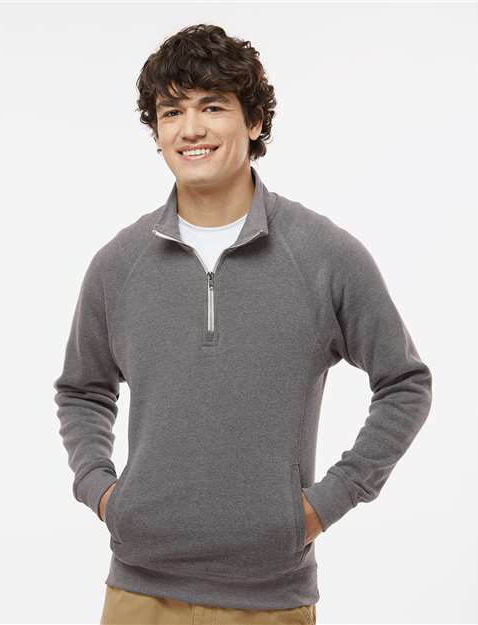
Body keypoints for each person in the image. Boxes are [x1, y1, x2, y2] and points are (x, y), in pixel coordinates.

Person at [53, 23, 433, 625]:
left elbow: (404, 383)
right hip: (137, 592)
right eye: (172, 111)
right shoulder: (118, 264)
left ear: (254, 121)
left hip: (271, 598)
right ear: (157, 131)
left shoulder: (324, 255)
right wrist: (101, 491)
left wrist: (324, 504)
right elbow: (83, 390)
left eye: (212, 107)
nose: (191, 129)